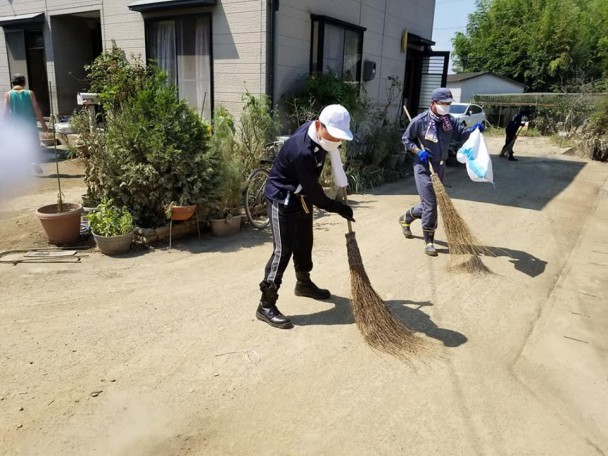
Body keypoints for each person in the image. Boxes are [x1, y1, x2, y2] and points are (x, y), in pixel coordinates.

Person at [256, 104, 355, 329]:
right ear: (319, 126)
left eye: (339, 138)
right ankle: (266, 304)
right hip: (283, 198)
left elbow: (312, 189)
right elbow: (316, 193)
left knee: (304, 243)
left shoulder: (319, 133)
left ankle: (303, 283)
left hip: (302, 197)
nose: (336, 141)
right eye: (333, 135)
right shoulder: (302, 151)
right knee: (283, 251)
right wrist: (337, 207)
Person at [399, 88, 483, 257]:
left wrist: (475, 130)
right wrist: (417, 151)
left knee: (429, 204)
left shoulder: (449, 121)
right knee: (430, 205)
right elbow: (406, 139)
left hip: (440, 166)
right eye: (443, 104)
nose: (447, 107)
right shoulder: (420, 121)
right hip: (423, 167)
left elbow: (462, 135)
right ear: (434, 103)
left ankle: (406, 218)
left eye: (449, 104)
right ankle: (429, 240)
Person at [3, 73, 48, 174]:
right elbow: (36, 110)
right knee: (34, 145)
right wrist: (43, 124)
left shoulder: (8, 94)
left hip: (16, 127)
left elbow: (5, 111)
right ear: (24, 83)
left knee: (18, 146)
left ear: (12, 83)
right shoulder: (30, 93)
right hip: (30, 125)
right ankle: (34, 162)